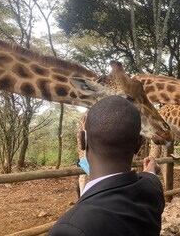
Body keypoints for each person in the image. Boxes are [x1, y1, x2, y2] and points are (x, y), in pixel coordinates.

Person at [48, 96, 165, 236]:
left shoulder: (69, 229)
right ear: (138, 144)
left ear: (82, 140)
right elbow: (150, 176)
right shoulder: (152, 189)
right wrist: (151, 169)